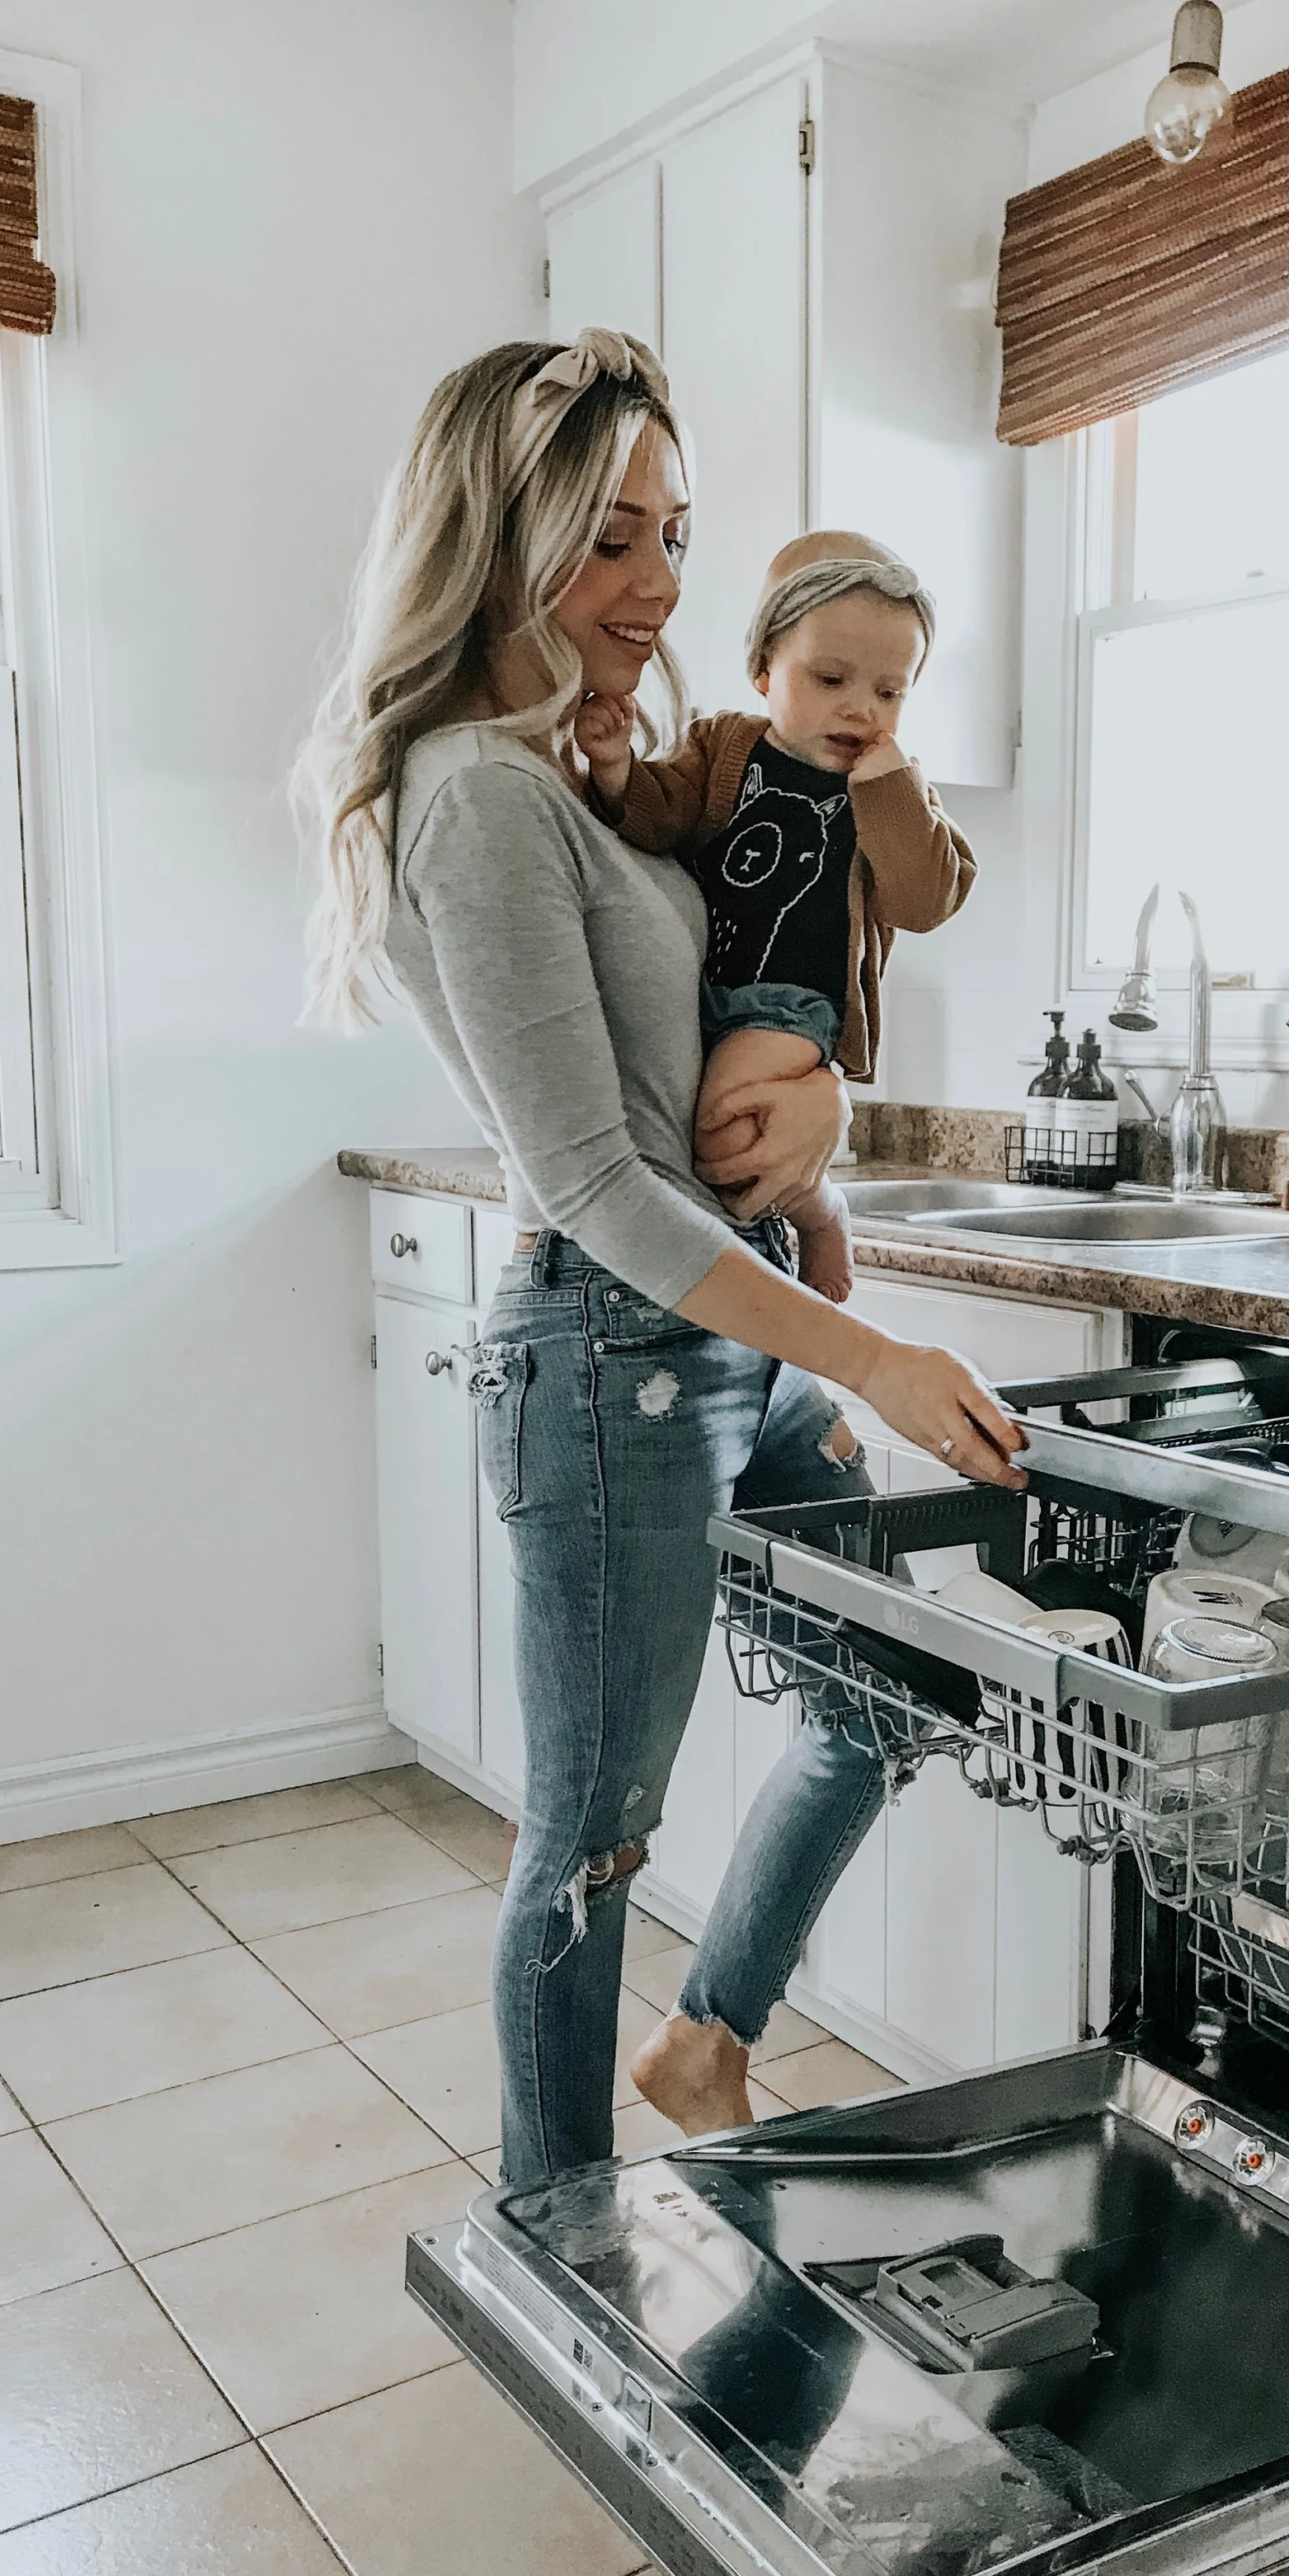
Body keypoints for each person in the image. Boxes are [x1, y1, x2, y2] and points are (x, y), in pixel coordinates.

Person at [297, 329, 1023, 2184]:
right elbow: (594, 1181)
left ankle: (706, 2041)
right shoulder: (476, 792)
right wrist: (879, 1361)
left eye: (674, 536)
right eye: (609, 539)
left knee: (895, 1689)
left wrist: (818, 1155)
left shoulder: (581, 774)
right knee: (591, 1841)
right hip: (611, 1353)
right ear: (495, 536)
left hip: (730, 1326)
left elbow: (692, 1069)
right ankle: (557, 2232)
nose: (659, 586)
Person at [574, 529, 971, 1304]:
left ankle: (821, 1213)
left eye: (889, 692)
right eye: (830, 678)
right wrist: (616, 768)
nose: (860, 708)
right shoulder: (724, 748)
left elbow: (925, 901)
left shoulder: (893, 792)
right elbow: (660, 815)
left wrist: (891, 787)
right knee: (702, 1135)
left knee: (724, 1137)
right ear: (763, 668)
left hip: (793, 1008)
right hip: (698, 998)